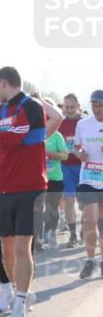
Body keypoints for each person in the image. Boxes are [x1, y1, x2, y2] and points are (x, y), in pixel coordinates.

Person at [0, 67, 61, 317]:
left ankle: (20, 306)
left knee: (23, 246)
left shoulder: (31, 106)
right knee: (6, 246)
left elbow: (16, 138)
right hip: (2, 187)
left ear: (4, 82)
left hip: (31, 187)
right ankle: (17, 292)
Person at [74, 89, 103, 279]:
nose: (96, 110)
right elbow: (76, 147)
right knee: (89, 219)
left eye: (100, 106)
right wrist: (79, 154)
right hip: (89, 179)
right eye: (94, 106)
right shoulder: (83, 124)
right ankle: (90, 260)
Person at [41, 100, 69, 250]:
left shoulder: (56, 136)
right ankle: (41, 233)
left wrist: (48, 154)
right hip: (39, 178)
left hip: (55, 177)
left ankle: (51, 232)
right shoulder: (35, 133)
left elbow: (65, 156)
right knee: (40, 208)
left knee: (52, 207)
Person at [59, 93, 84, 248]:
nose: (69, 110)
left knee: (85, 204)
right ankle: (73, 235)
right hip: (66, 167)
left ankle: (85, 229)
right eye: (66, 107)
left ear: (78, 106)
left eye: (72, 107)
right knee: (69, 200)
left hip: (84, 168)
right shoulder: (60, 123)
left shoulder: (85, 123)